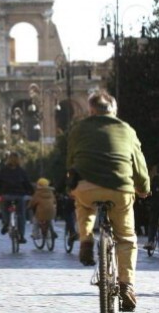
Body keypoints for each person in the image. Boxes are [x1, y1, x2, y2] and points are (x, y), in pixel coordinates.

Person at [67, 90, 150, 312]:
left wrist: (70, 185)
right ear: (113, 110)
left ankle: (85, 239)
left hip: (86, 186)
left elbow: (71, 160)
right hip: (120, 188)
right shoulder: (126, 129)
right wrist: (144, 188)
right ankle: (127, 286)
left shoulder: (79, 129)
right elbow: (139, 165)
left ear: (91, 110)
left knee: (83, 205)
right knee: (126, 238)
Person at [0, 152, 33, 243]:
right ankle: (21, 236)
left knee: (5, 209)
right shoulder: (21, 171)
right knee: (21, 215)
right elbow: (27, 184)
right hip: (19, 196)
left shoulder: (3, 170)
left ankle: (6, 223)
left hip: (6, 195)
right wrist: (31, 192)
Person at [143, 165, 159, 251]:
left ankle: (150, 241)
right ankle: (150, 241)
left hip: (155, 205)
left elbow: (149, 193)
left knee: (152, 223)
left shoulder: (154, 180)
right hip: (155, 205)